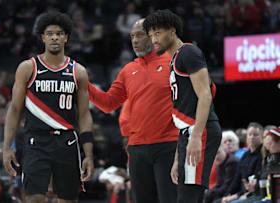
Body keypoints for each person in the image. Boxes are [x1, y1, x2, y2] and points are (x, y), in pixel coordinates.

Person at [2, 11, 94, 203]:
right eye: (50, 33)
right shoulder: (28, 68)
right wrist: (7, 147)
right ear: (42, 37)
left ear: (66, 37)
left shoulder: (78, 71)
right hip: (37, 141)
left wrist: (88, 154)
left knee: (68, 199)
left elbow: (84, 116)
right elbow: (14, 110)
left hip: (67, 142)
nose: (54, 37)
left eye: (59, 33)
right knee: (34, 198)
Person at [88, 19, 178, 203]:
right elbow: (108, 103)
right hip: (137, 149)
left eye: (140, 35)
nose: (135, 40)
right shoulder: (128, 70)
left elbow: (203, 93)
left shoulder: (174, 61)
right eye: (132, 36)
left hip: (168, 145)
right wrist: (84, 85)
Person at [144, 9, 222, 203]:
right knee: (187, 195)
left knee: (187, 197)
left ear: (172, 31)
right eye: (151, 35)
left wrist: (196, 136)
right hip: (188, 131)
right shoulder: (175, 58)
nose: (153, 39)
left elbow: (206, 95)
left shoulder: (188, 52)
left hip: (199, 130)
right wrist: (179, 157)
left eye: (157, 33)